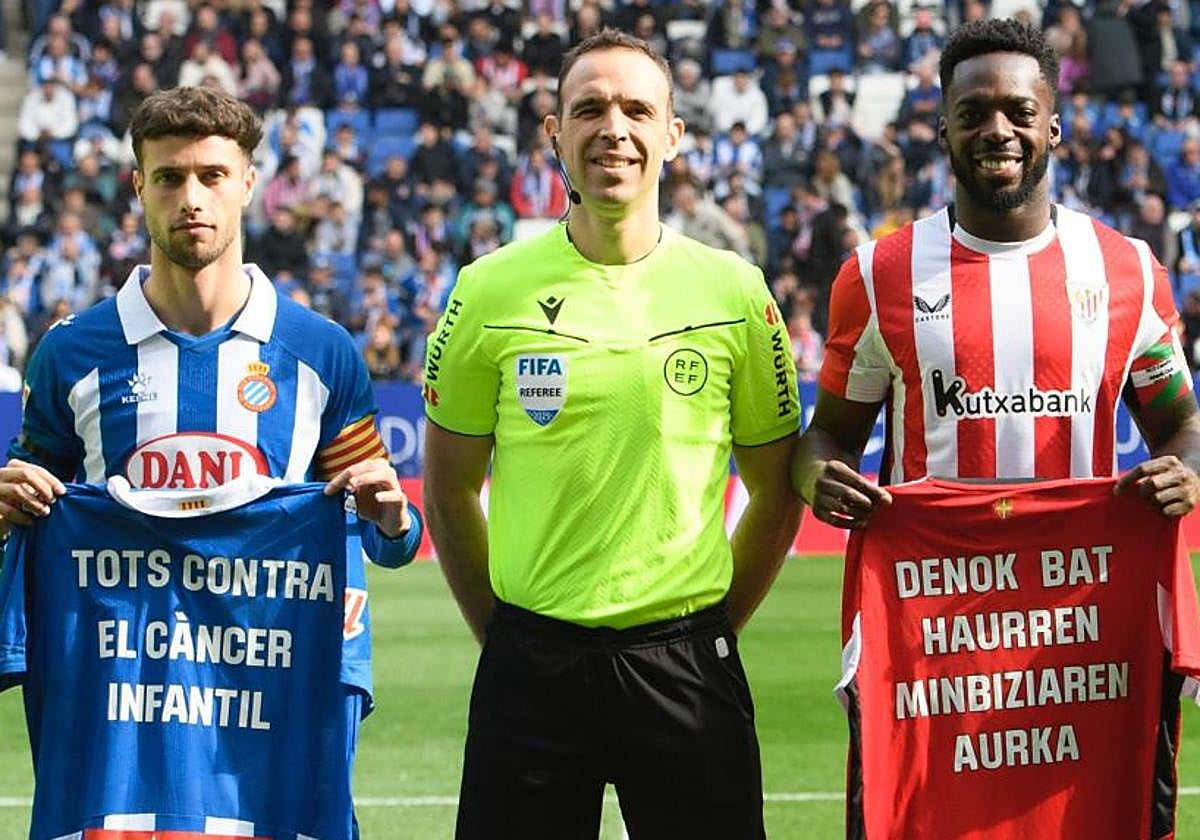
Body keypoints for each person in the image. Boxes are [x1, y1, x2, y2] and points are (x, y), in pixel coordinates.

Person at [423, 28, 802, 840]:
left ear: (674, 133)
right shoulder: (486, 291)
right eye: (588, 109)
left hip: (685, 667)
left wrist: (707, 631)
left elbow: (777, 493)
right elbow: (448, 490)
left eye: (637, 109)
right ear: (554, 132)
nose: (614, 129)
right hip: (531, 667)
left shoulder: (736, 292)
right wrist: (506, 638)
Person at [793, 21, 1200, 540]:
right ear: (945, 130)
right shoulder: (877, 274)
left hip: (1078, 583)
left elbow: (1182, 427)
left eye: (1020, 112)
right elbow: (827, 435)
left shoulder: (1128, 268)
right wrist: (817, 477)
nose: (998, 130)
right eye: (973, 114)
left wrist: (1187, 471)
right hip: (933, 582)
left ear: (1053, 128)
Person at [0, 90, 422, 590]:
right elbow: (22, 519)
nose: (191, 199)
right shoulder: (69, 353)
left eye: (213, 175)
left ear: (248, 184)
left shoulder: (322, 351)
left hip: (268, 640)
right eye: (169, 178)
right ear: (139, 187)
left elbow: (388, 537)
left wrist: (395, 522)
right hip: (117, 640)